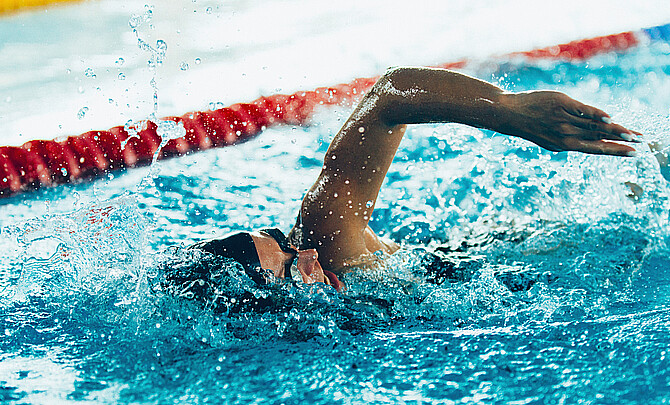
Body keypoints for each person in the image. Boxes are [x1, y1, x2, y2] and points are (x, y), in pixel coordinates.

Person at [177, 67, 640, 295]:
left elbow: (388, 97)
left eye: (284, 243)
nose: (308, 254)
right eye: (285, 267)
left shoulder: (327, 240)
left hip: (467, 267)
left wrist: (508, 110)